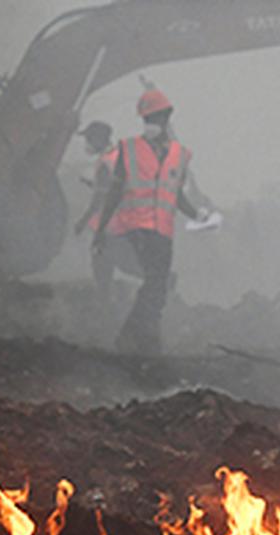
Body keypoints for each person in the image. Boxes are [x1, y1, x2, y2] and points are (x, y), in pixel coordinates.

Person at [95, 89, 208, 355]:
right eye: (147, 118)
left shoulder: (179, 155)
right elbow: (115, 191)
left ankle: (144, 336)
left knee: (159, 283)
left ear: (167, 116)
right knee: (156, 281)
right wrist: (100, 229)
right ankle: (135, 336)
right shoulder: (129, 150)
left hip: (163, 230)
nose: (151, 122)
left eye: (156, 116)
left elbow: (176, 195)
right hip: (137, 228)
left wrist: (196, 216)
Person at [73, 121, 142, 303]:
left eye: (89, 139)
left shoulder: (105, 162)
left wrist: (82, 220)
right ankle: (104, 301)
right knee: (106, 261)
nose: (86, 143)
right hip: (125, 219)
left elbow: (100, 198)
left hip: (113, 223)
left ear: (98, 139)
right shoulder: (117, 156)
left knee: (118, 263)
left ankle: (164, 281)